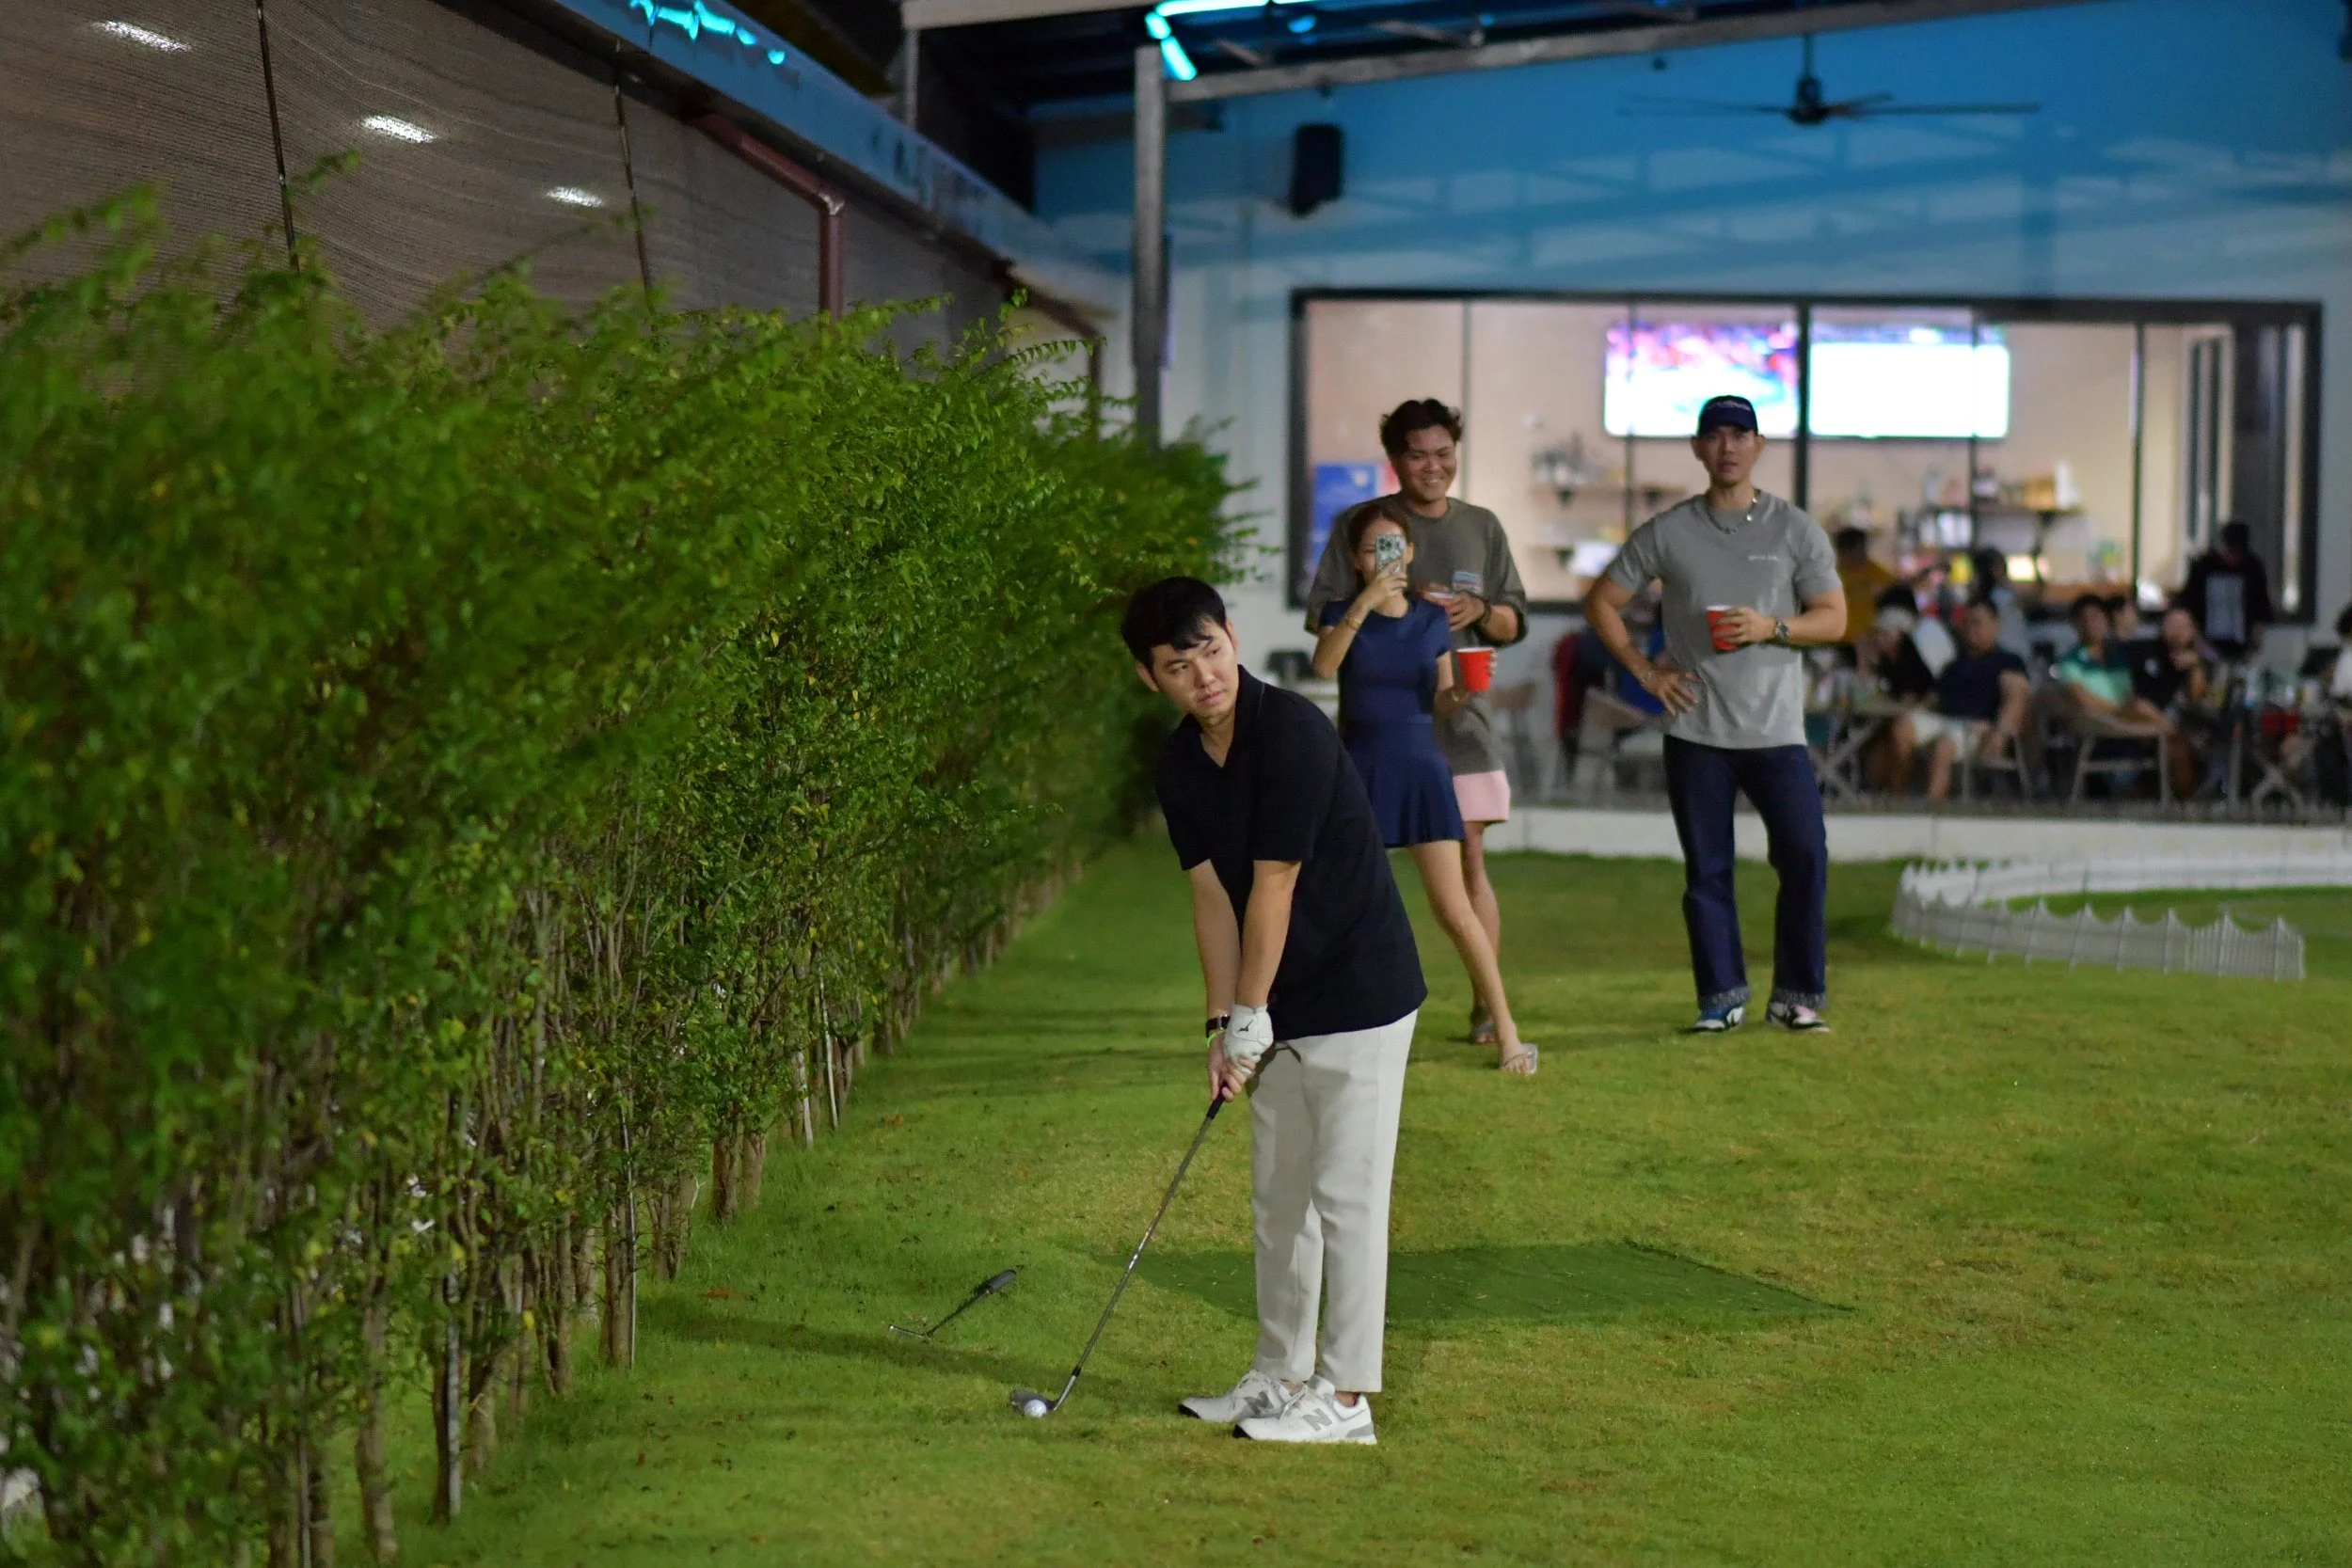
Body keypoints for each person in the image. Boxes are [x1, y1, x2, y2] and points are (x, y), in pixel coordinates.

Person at [1123, 577, 1424, 1446]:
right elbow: (1211, 896)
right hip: (1274, 1000)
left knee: (1348, 1197)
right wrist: (1223, 1021)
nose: (1204, 676)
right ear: (1152, 678)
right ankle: (1280, 1373)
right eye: (1179, 666)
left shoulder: (1291, 728)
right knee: (1278, 1196)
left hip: (1358, 987)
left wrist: (1252, 1008)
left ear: (1232, 635)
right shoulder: (1179, 764)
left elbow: (1276, 883)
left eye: (1211, 650)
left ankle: (1346, 1397)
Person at [1583, 393, 1846, 1033]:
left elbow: (1834, 619)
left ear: (1758, 446)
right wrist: (1647, 673)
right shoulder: (1670, 531)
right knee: (1707, 871)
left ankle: (1796, 993)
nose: (1728, 446)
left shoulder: (1793, 528)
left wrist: (1771, 626)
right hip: (1697, 729)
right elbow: (1602, 601)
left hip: (1777, 729)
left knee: (1806, 856)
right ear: (1699, 448)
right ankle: (1722, 996)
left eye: (1740, 433)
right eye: (1715, 435)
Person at [1304, 399, 1530, 1050]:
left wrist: (1479, 609)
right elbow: (1324, 629)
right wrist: (1373, 600)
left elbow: (1513, 621)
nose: (1433, 465)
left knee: (1469, 868)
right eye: (1417, 454)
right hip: (1376, 731)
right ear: (1396, 461)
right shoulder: (1361, 524)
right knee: (1351, 878)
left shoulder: (1481, 526)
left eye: (1443, 452)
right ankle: (1352, 1005)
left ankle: (1491, 1013)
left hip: (1457, 726)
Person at [2053, 593, 2197, 799]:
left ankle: (2179, 798)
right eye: (2085, 619)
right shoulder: (2070, 663)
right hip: (2099, 726)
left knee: (2172, 744)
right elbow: (2084, 701)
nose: (2092, 624)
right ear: (2075, 625)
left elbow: (2128, 695)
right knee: (2157, 723)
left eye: (2097, 618)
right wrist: (2125, 711)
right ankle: (2185, 799)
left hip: (2129, 724)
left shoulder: (2118, 659)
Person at [1899, 599, 2032, 801]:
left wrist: (2000, 733)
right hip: (1944, 720)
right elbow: (1932, 699)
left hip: (1978, 727)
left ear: (1995, 624)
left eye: (1976, 622)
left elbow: (2015, 698)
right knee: (1901, 728)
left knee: (1943, 746)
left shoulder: (2008, 662)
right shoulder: (1954, 664)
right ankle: (1895, 797)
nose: (1970, 628)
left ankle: (1930, 809)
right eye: (1966, 622)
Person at [2180, 520, 2274, 660]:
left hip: (2241, 644)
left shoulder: (2252, 568)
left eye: (2237, 554)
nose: (2232, 559)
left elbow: (2261, 607)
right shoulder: (2204, 567)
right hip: (2205, 642)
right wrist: (2196, 639)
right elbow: (2189, 605)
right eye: (2230, 552)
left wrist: (2255, 641)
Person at [1834, 527, 1896, 647]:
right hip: (1839, 643)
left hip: (1868, 642)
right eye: (1860, 550)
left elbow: (1895, 586)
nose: (1864, 554)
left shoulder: (1873, 570)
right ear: (1844, 551)